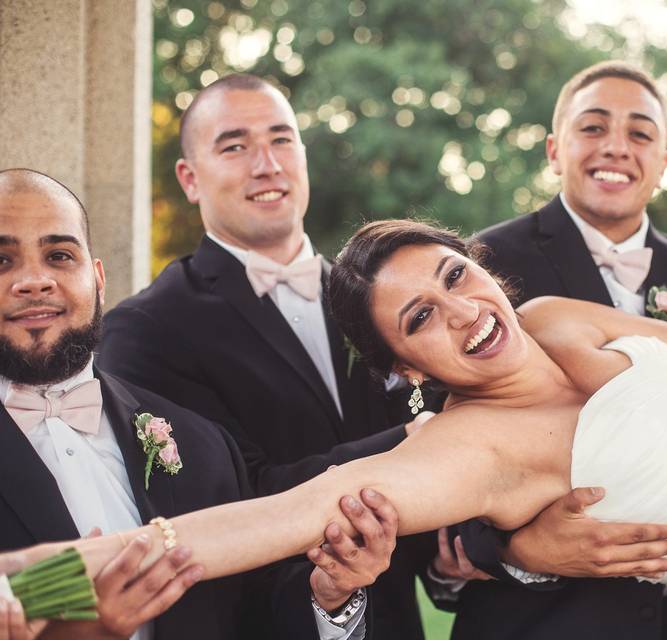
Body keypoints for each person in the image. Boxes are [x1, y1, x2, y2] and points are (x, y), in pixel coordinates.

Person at [19, 219, 667, 638]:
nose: (462, 312)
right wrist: (31, 579)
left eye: (454, 278)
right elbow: (255, 523)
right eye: (420, 320)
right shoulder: (462, 455)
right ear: (404, 372)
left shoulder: (557, 315)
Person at [96, 73, 435, 638]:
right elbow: (225, 497)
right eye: (235, 146)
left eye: (281, 139)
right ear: (189, 177)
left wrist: (454, 560)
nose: (266, 164)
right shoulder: (145, 330)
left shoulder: (379, 301)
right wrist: (420, 440)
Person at [0, 169, 396, 640]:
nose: (34, 280)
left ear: (98, 279)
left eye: (59, 255)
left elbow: (251, 614)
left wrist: (327, 595)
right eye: (2, 260)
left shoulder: (202, 445)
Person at [464, 59, 667, 640]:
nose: (617, 147)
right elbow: (444, 429)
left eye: (641, 133)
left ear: (665, 164)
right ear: (554, 149)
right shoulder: (480, 275)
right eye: (594, 127)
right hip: (537, 621)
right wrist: (518, 547)